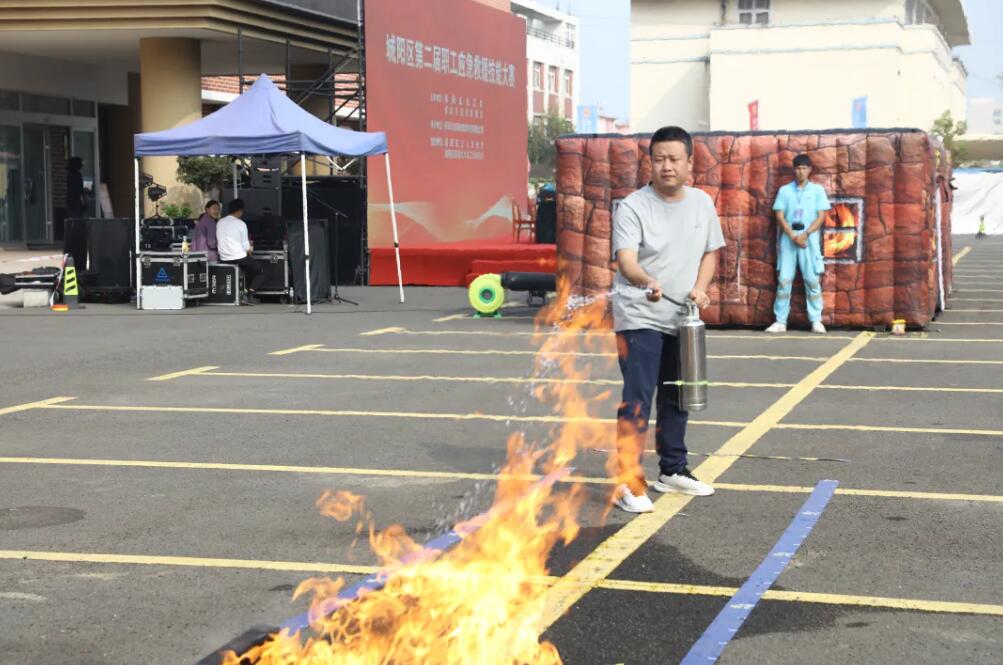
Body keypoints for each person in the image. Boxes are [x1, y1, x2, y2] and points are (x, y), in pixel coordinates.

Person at [610, 125, 725, 514]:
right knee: (638, 398)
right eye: (659, 159)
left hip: (682, 316)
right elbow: (626, 260)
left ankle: (673, 469)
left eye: (674, 159)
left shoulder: (701, 204)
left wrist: (702, 288)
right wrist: (645, 279)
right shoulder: (633, 206)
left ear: (690, 163)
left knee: (677, 394)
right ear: (650, 162)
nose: (666, 166)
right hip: (639, 314)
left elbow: (711, 252)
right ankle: (628, 480)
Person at [765, 154, 831, 335]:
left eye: (804, 168)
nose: (801, 171)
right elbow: (779, 215)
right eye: (798, 168)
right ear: (794, 170)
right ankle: (780, 321)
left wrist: (806, 234)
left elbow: (821, 216)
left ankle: (816, 320)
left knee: (812, 279)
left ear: (810, 170)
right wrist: (793, 236)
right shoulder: (785, 191)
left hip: (809, 239)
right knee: (784, 279)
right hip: (789, 238)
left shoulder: (817, 190)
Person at [216, 198, 265, 301]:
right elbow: (246, 247)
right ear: (240, 211)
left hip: (223, 257)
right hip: (238, 257)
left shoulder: (220, 222)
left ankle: (243, 292)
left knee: (249, 268)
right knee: (260, 271)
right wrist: (250, 246)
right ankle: (249, 293)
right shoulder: (241, 224)